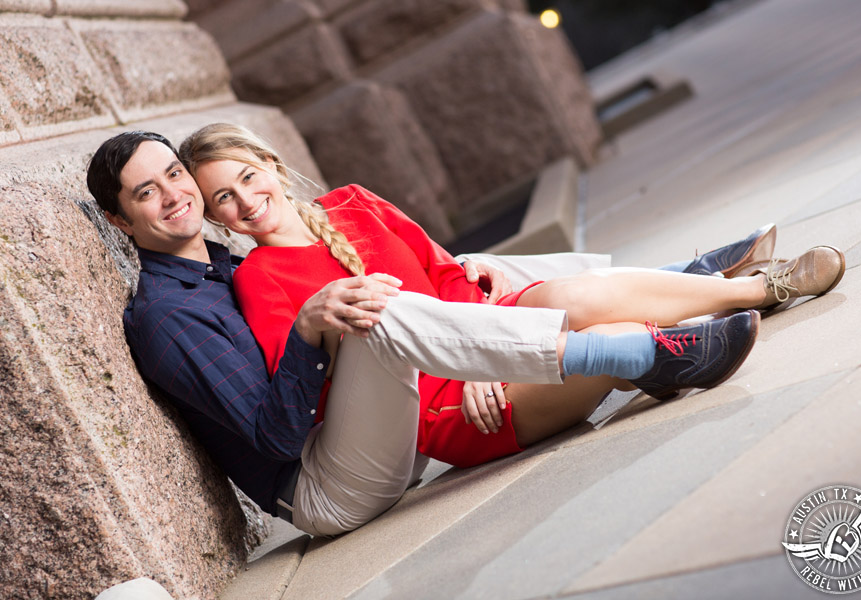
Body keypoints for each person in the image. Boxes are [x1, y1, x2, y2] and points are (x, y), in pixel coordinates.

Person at [84, 130, 797, 539]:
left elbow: (439, 278)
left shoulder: (243, 256)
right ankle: (656, 335)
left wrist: (477, 330)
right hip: (359, 462)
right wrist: (315, 329)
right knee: (376, 308)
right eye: (148, 192)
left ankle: (733, 284)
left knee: (527, 281)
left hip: (421, 397)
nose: (177, 194)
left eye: (175, 175)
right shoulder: (187, 307)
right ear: (123, 220)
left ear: (269, 165)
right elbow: (282, 429)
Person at [178, 123, 845, 474]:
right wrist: (475, 370)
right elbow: (332, 386)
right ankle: (676, 323)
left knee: (573, 296)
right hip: (452, 409)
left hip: (489, 334)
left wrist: (487, 316)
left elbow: (442, 278)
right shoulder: (257, 281)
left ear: (269, 164)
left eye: (244, 178)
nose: (244, 202)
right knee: (596, 331)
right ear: (217, 220)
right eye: (222, 201)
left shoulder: (353, 202)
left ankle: (759, 288)